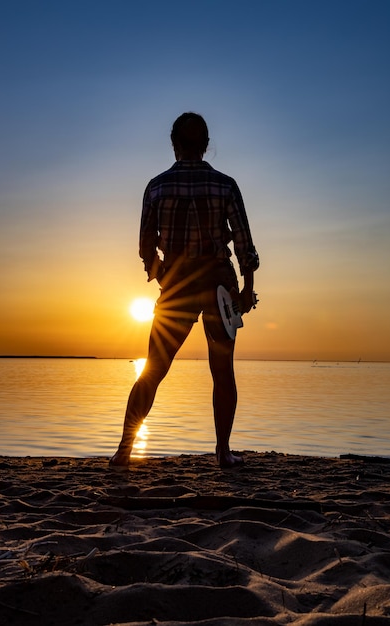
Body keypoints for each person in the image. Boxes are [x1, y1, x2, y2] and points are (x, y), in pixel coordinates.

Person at [110, 112, 259, 469]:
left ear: (174, 143)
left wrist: (161, 275)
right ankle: (223, 453)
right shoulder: (225, 185)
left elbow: (146, 245)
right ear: (206, 145)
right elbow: (244, 245)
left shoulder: (157, 186)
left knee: (153, 369)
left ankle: (124, 451)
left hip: (177, 287)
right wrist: (246, 291)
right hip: (218, 285)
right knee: (222, 370)